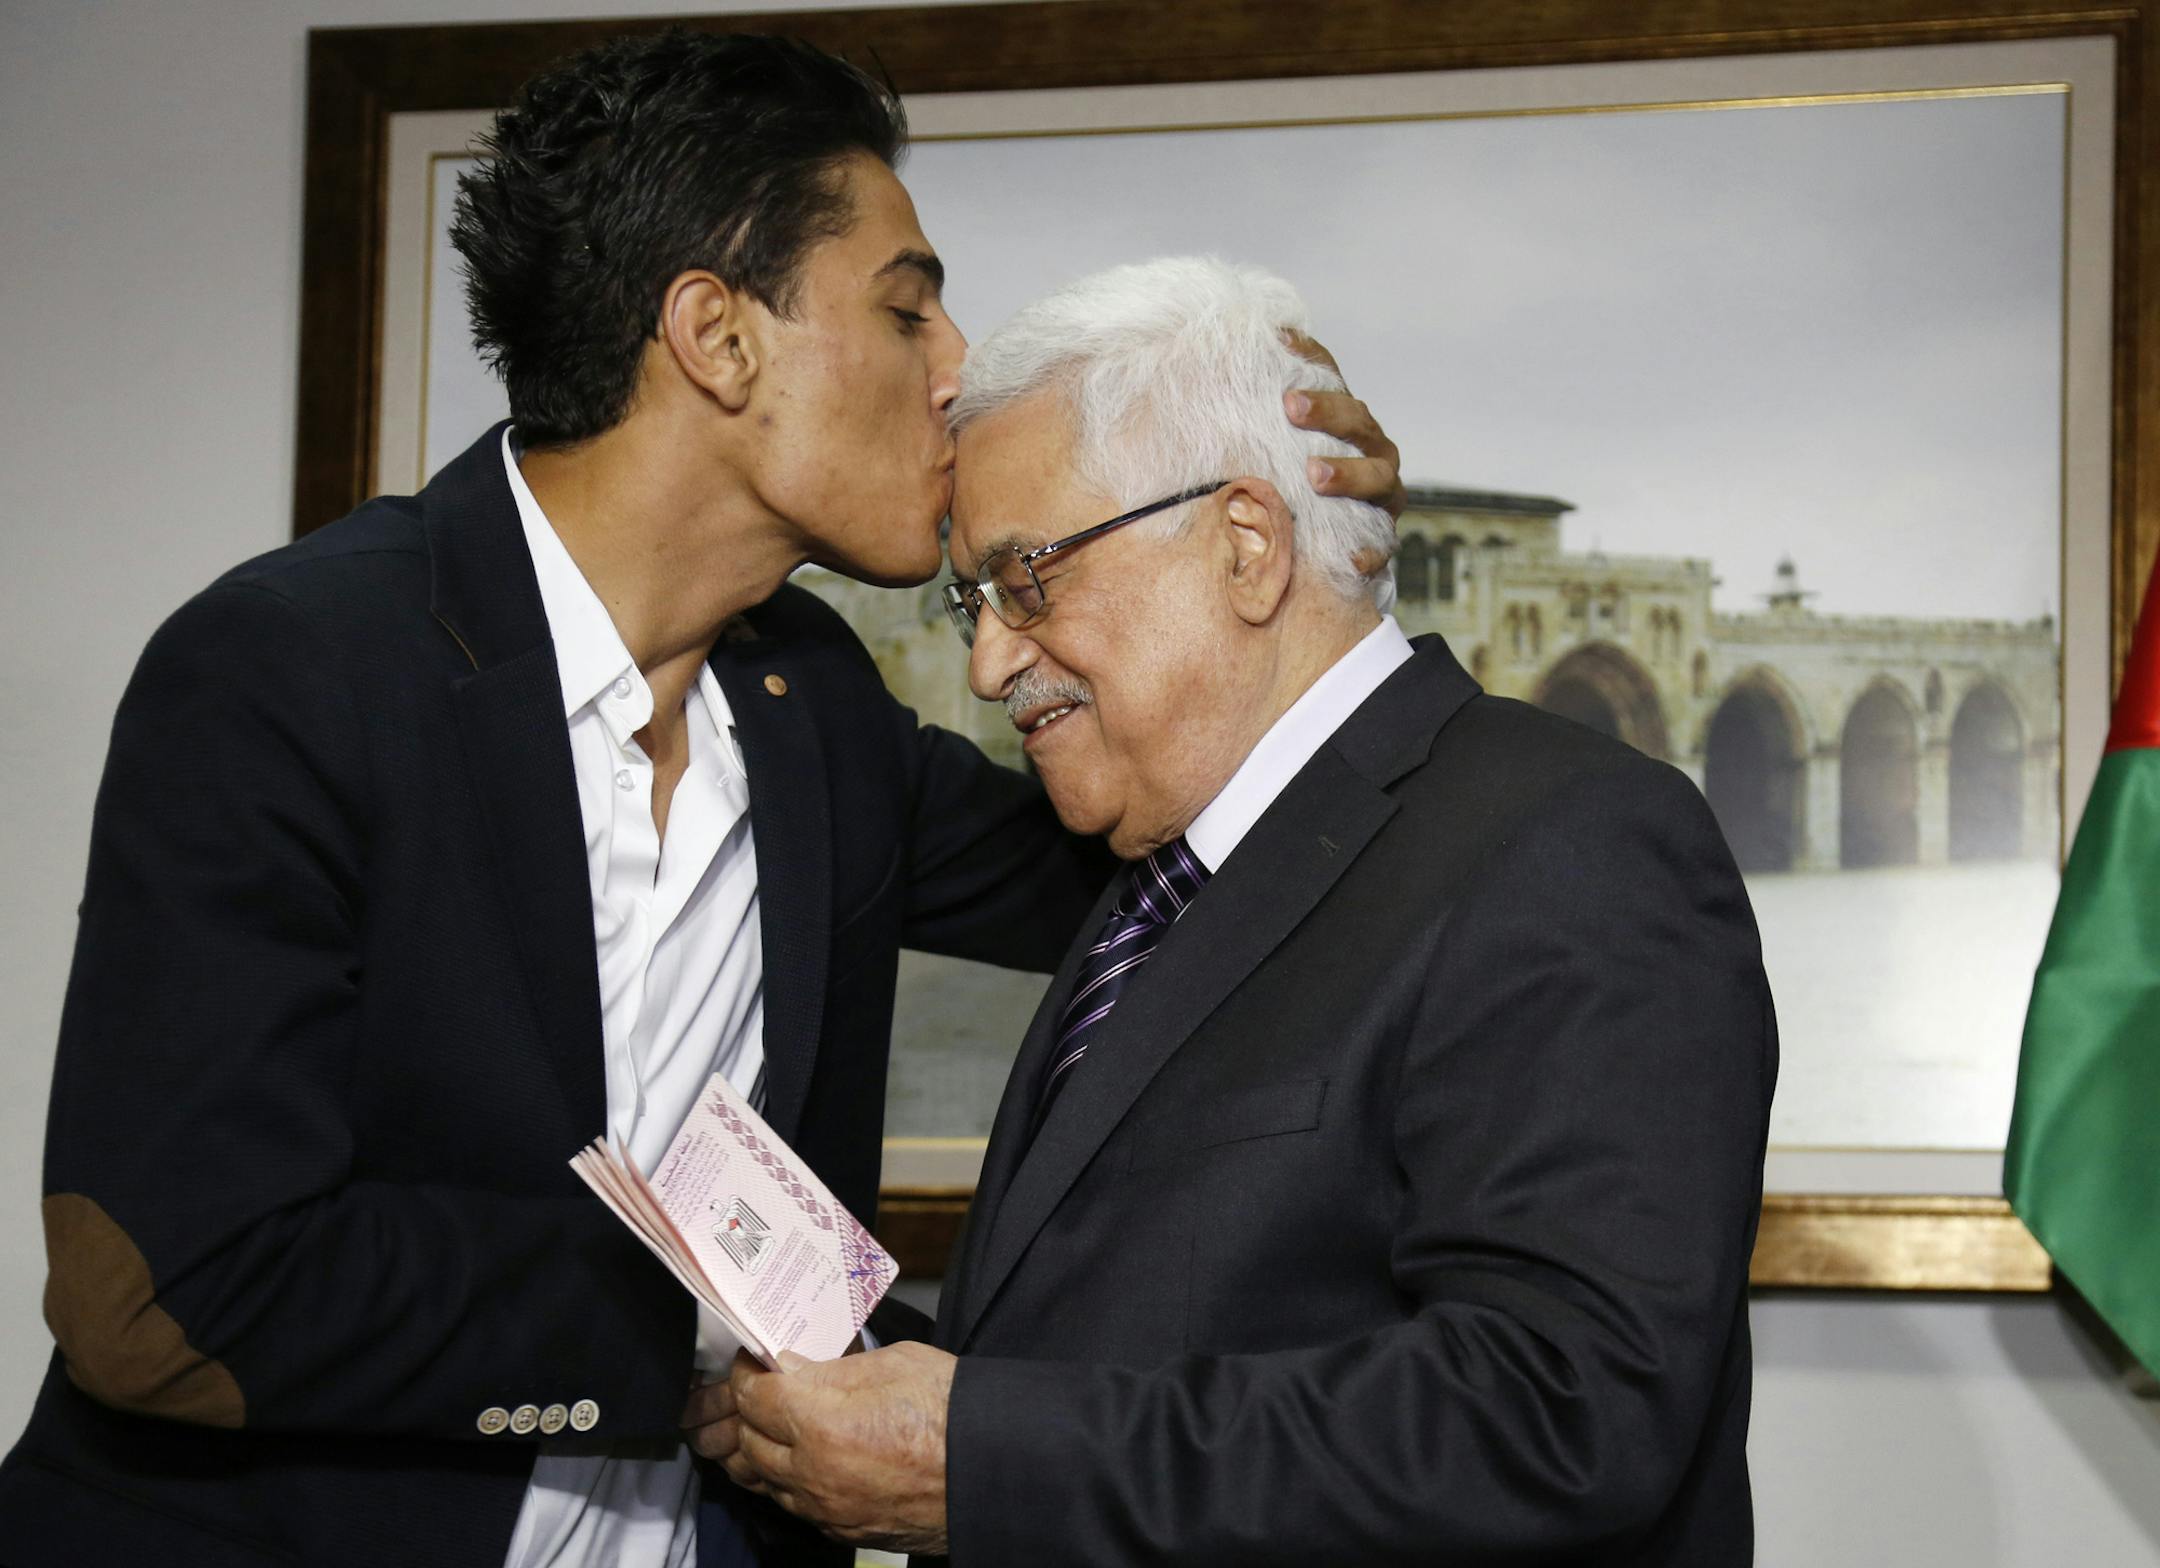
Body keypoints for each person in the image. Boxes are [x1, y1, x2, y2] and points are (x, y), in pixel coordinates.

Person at [0, 36, 1404, 1568]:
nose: (957, 368)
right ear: (716, 338)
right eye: (905, 305)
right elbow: (163, 1294)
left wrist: (1279, 555)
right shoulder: (289, 673)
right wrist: (711, 1327)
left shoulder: (816, 713)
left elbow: (1178, 855)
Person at [704, 257, 1779, 1566]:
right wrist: (882, 1402)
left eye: (1025, 580)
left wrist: (983, 1453)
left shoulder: (1569, 844)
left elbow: (1560, 1413)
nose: (986, 661)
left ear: (1248, 546)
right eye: (967, 603)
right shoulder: (1164, 873)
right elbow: (1161, 1336)